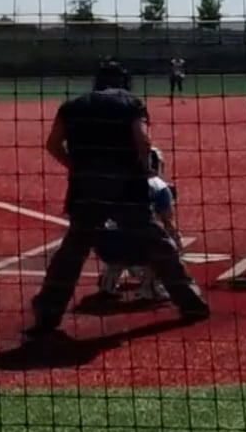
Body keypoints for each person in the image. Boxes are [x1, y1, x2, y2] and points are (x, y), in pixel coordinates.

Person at [25, 61, 208, 343]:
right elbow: (143, 141)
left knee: (72, 252)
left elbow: (53, 144)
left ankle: (47, 314)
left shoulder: (72, 106)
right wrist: (143, 168)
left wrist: (77, 167)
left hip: (85, 188)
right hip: (127, 187)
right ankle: (190, 302)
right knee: (157, 243)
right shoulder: (130, 103)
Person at [94, 147, 181, 302]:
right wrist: (177, 245)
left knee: (116, 231)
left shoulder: (114, 181)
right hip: (135, 248)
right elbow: (169, 224)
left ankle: (108, 282)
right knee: (163, 243)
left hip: (104, 247)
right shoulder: (160, 186)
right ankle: (150, 289)